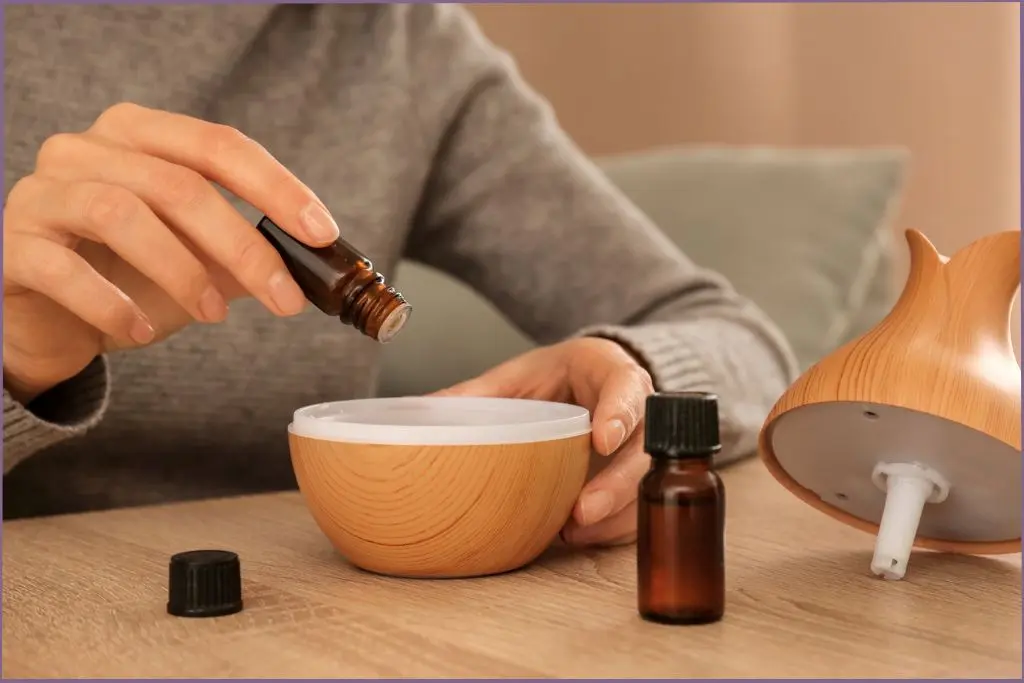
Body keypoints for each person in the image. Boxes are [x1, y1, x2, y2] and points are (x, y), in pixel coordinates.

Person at [2, 3, 798, 546]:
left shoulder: (402, 42)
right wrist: (18, 357)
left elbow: (746, 343)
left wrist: (643, 377)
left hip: (319, 607)